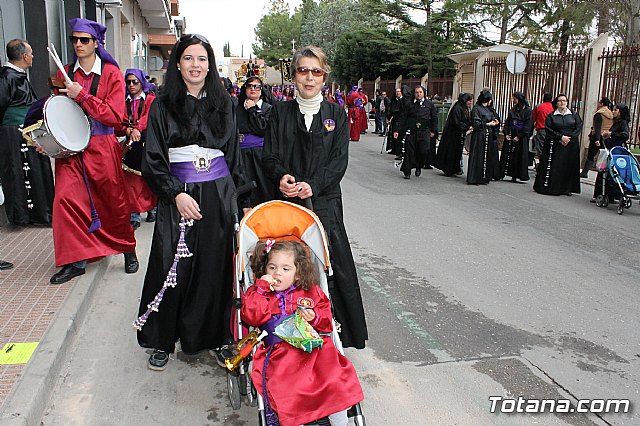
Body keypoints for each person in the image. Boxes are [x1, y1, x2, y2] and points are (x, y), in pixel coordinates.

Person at [135, 33, 245, 371]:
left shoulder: (224, 102)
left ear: (209, 64)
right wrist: (174, 193)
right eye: (188, 58)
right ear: (177, 63)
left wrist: (241, 200)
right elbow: (152, 158)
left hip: (217, 193)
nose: (195, 65)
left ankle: (211, 337)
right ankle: (163, 339)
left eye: (201, 59)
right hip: (177, 195)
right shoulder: (162, 104)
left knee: (215, 267)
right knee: (173, 265)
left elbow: (233, 155)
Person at [262, 45, 368, 349]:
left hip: (324, 204)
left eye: (316, 71)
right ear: (294, 75)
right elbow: (269, 155)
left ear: (324, 76)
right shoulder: (279, 112)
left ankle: (332, 331)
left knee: (330, 268)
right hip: (287, 203)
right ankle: (283, 332)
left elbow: (338, 161)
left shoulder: (336, 113)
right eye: (303, 70)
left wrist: (315, 185)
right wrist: (281, 176)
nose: (309, 77)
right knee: (286, 268)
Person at [49, 19, 137, 285]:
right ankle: (74, 260)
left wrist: (82, 96)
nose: (78, 44)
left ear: (96, 43)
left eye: (84, 40)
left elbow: (115, 116)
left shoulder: (111, 73)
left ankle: (127, 249)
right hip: (71, 151)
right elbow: (56, 111)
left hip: (102, 147)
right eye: (74, 39)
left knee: (113, 204)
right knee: (65, 201)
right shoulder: (64, 72)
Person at [241, 240, 364, 426]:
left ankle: (340, 421)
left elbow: (326, 322)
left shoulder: (310, 292)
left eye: (285, 269)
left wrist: (314, 317)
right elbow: (252, 316)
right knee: (288, 388)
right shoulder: (259, 293)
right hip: (279, 353)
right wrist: (260, 289)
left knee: (334, 378)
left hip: (313, 349)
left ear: (298, 272)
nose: (277, 273)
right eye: (272, 267)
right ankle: (296, 420)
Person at [0, 39, 54, 226]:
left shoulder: (17, 75)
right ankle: (22, 216)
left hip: (28, 130)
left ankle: (41, 214)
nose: (32, 56)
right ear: (24, 56)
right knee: (18, 172)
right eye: (30, 53)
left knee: (37, 171)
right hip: (14, 134)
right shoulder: (6, 77)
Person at [117, 68, 158, 229]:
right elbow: (117, 121)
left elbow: (148, 117)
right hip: (129, 145)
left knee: (150, 178)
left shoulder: (150, 100)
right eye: (128, 82)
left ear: (142, 82)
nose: (132, 85)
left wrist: (138, 128)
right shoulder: (122, 101)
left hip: (147, 143)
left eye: (135, 81)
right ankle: (133, 213)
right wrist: (126, 130)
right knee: (130, 181)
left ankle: (152, 209)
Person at [533, 94, 583, 196]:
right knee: (557, 166)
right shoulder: (552, 116)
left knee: (568, 166)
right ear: (556, 103)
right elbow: (549, 128)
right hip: (556, 143)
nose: (562, 103)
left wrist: (570, 138)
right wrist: (561, 137)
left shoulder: (574, 114)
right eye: (560, 101)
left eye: (564, 101)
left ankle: (567, 188)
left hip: (570, 144)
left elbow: (578, 127)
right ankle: (556, 187)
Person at [236, 75, 274, 206]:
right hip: (241, 154)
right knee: (244, 190)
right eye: (250, 86)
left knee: (262, 189)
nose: (253, 89)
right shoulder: (237, 108)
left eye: (257, 86)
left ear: (261, 90)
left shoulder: (268, 109)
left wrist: (252, 110)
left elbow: (261, 129)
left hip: (260, 154)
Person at [591, 103, 630, 202]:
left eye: (615, 110)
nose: (613, 112)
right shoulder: (616, 122)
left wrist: (611, 133)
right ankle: (602, 194)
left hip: (615, 151)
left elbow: (625, 135)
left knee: (611, 173)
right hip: (610, 149)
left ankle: (608, 194)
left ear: (620, 112)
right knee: (605, 172)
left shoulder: (623, 123)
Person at [401, 86, 438, 179]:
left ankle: (419, 165)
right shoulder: (409, 104)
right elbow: (403, 118)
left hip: (424, 131)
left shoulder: (429, 104)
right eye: (417, 92)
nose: (419, 94)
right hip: (412, 131)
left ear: (423, 93)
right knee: (409, 151)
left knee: (423, 151)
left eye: (420, 92)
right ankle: (407, 171)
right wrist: (398, 130)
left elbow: (434, 118)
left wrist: (434, 130)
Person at [467, 89, 501, 185]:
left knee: (486, 157)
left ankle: (484, 177)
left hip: (488, 135)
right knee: (478, 155)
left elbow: (493, 118)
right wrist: (488, 124)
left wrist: (495, 122)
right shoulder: (476, 108)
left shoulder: (488, 109)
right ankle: (475, 177)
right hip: (479, 135)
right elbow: (476, 123)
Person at [435, 92, 473, 176]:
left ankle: (455, 169)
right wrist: (467, 127)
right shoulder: (457, 108)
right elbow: (457, 122)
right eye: (469, 101)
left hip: (458, 134)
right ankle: (448, 169)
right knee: (450, 152)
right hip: (452, 134)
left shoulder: (465, 108)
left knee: (456, 152)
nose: (470, 103)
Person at [499, 91, 532, 183]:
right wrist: (506, 133)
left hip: (521, 136)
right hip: (511, 134)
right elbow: (508, 122)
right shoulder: (513, 109)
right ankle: (503, 173)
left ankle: (517, 175)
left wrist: (520, 136)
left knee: (519, 156)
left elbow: (528, 125)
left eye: (515, 99)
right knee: (507, 155)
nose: (513, 100)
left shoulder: (528, 111)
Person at [582, 97, 613, 177]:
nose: (598, 104)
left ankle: (585, 172)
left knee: (591, 155)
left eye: (599, 102)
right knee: (605, 155)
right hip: (606, 136)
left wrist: (597, 139)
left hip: (597, 136)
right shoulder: (611, 114)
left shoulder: (599, 113)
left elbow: (597, 127)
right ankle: (604, 172)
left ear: (602, 104)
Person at [531, 93, 554, 168]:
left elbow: (532, 119)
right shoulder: (554, 108)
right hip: (552, 131)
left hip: (541, 129)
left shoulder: (539, 107)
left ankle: (542, 164)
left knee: (541, 148)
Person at [388, 86, 411, 158]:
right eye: (397, 91)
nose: (398, 93)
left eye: (399, 91)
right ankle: (394, 149)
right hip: (397, 119)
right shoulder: (395, 100)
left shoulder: (405, 100)